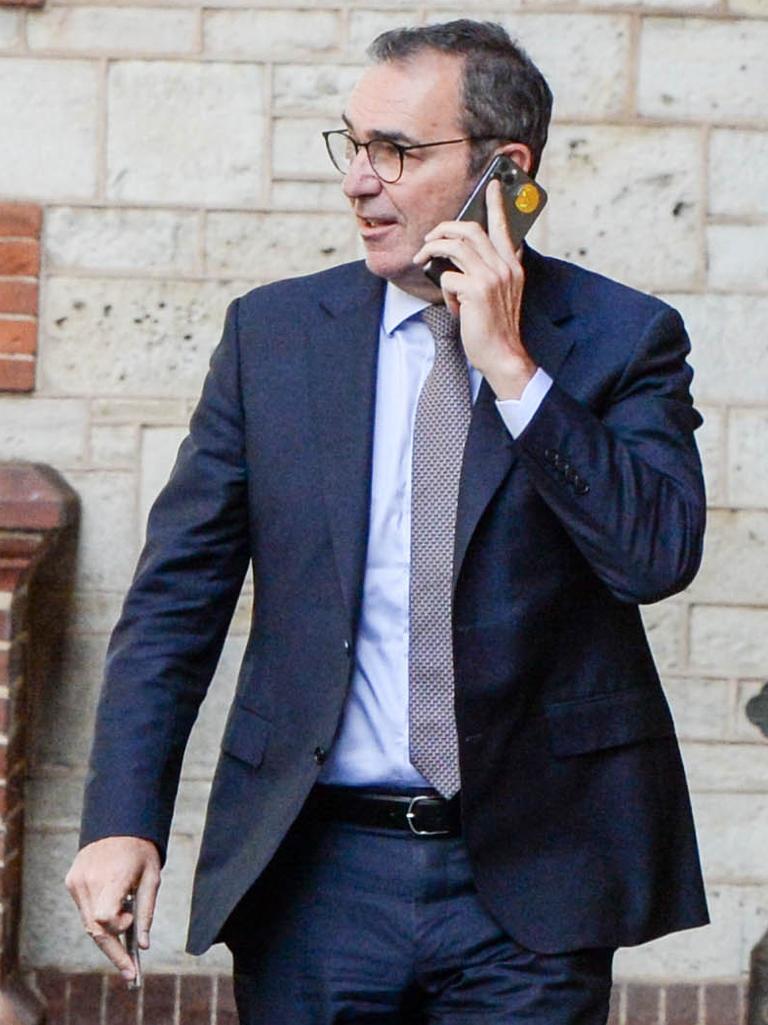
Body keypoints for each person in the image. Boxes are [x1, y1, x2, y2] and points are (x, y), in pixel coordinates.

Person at [66, 19, 708, 1025]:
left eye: (396, 152)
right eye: (353, 145)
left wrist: (513, 369)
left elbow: (653, 555)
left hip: (533, 882)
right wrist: (119, 821)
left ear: (506, 169)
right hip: (317, 877)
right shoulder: (273, 336)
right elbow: (175, 600)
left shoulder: (622, 338)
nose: (358, 181)